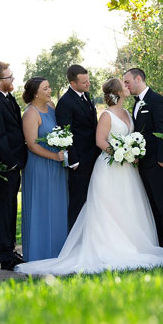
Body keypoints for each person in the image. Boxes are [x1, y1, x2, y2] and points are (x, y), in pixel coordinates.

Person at [15, 79, 163, 275]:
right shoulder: (106, 114)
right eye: (124, 85)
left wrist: (132, 153)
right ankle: (111, 246)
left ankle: (134, 243)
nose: (127, 86)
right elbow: (100, 140)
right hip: (109, 167)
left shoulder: (127, 113)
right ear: (117, 92)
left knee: (128, 206)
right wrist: (119, 152)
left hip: (128, 168)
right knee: (109, 208)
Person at [123, 68, 163, 250]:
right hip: (142, 162)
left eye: (128, 81)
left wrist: (162, 158)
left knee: (162, 202)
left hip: (156, 161)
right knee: (151, 203)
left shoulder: (156, 100)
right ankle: (159, 241)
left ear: (139, 78)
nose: (126, 85)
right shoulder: (136, 103)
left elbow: (162, 129)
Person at [0, 62, 27, 271]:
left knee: (11, 209)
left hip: (14, 163)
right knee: (4, 210)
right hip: (6, 165)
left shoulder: (7, 98)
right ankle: (6, 257)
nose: (13, 80)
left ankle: (11, 251)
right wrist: (13, 162)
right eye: (9, 77)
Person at [20, 77, 69, 261]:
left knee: (58, 207)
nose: (50, 91)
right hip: (40, 166)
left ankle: (59, 251)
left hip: (57, 165)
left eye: (49, 87)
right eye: (46, 88)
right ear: (35, 93)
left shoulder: (52, 107)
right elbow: (32, 145)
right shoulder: (31, 114)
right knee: (41, 207)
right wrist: (54, 156)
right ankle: (40, 253)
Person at [55, 64, 100, 231]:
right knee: (78, 201)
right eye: (84, 82)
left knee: (91, 198)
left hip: (93, 156)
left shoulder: (87, 97)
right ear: (73, 83)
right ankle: (76, 238)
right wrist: (73, 160)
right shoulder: (65, 102)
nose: (88, 84)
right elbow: (65, 133)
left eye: (88, 80)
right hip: (79, 160)